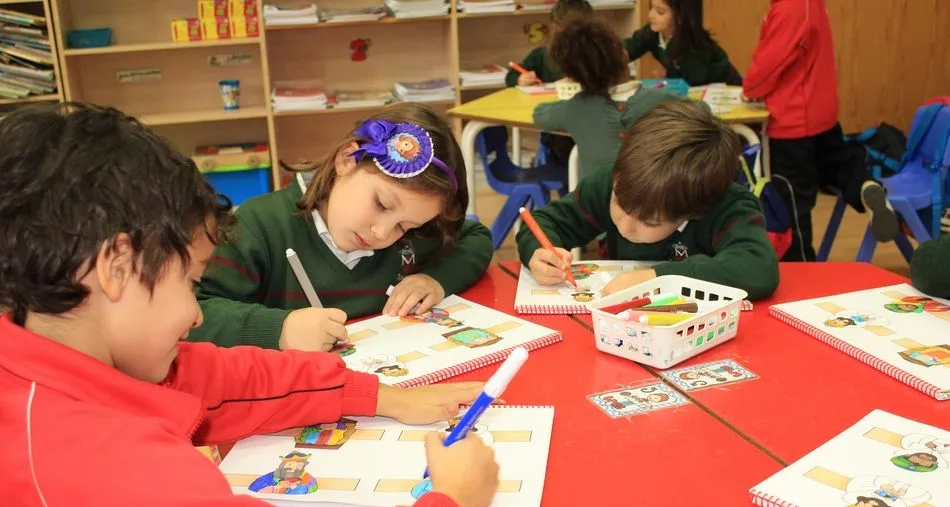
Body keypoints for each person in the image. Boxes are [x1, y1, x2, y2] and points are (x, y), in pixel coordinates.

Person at [0, 103, 499, 507]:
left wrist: (382, 397)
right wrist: (453, 499)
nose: (195, 313)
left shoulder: (58, 349)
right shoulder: (112, 471)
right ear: (116, 267)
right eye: (190, 280)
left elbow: (230, 379)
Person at [193, 102, 493, 351]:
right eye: (382, 204)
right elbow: (196, 314)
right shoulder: (258, 225)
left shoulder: (413, 238)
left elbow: (476, 237)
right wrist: (279, 329)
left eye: (404, 225)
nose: (382, 234)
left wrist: (435, 279)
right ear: (347, 159)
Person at [517, 100, 779, 300]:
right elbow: (543, 222)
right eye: (619, 202)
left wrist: (657, 278)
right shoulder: (611, 182)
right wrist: (540, 253)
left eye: (649, 221)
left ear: (692, 212)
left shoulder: (726, 205)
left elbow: (758, 267)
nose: (625, 226)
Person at [743, 0, 898, 261]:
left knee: (793, 207)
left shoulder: (790, 7)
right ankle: (864, 186)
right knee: (837, 166)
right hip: (820, 113)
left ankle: (802, 273)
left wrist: (751, 90)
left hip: (793, 121)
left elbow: (770, 62)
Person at [533, 17, 681, 178]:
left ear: (573, 76)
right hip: (657, 199)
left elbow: (539, 114)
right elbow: (704, 112)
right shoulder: (664, 100)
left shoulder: (573, 109)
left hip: (597, 201)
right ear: (625, 55)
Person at [504, 0, 594, 167]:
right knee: (562, 143)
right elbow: (512, 76)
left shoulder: (595, 55)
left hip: (589, 120)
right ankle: (569, 180)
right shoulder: (543, 55)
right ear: (554, 28)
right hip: (558, 127)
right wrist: (520, 79)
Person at [623, 0, 742, 86]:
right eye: (651, 8)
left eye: (660, 12)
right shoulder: (652, 32)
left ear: (680, 17)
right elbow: (629, 48)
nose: (650, 15)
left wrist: (669, 76)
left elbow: (692, 85)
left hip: (726, 90)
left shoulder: (693, 46)